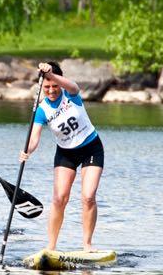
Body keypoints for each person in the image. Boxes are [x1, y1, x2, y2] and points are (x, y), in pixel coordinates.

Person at [19, 61, 104, 252]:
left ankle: (87, 245)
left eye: (54, 85)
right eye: (47, 87)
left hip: (91, 148)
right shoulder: (41, 110)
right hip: (66, 153)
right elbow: (34, 138)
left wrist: (52, 74)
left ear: (60, 82)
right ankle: (51, 246)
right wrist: (27, 151)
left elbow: (73, 85)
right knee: (59, 198)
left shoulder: (71, 95)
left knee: (88, 197)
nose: (51, 90)